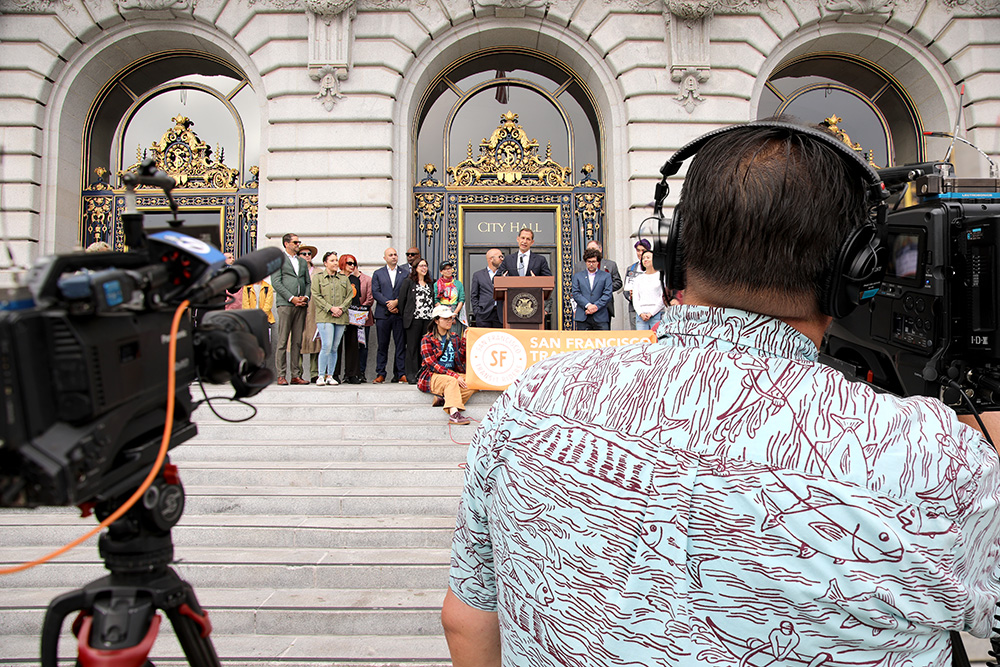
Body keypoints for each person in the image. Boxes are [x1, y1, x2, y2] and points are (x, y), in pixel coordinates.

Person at [442, 121, 1000, 666]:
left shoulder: (529, 401)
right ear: (855, 272)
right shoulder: (933, 455)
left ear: (675, 253)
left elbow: (466, 620)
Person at [418, 305, 476, 425]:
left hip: (450, 374)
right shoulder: (427, 339)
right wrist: (454, 375)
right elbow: (432, 364)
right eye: (445, 319)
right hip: (433, 375)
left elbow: (459, 359)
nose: (449, 321)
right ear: (436, 320)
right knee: (451, 381)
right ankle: (454, 414)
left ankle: (445, 400)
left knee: (472, 381)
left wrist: (464, 340)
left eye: (450, 318)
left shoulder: (454, 337)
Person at [271, 233, 311, 385]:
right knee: (282, 341)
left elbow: (308, 282)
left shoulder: (301, 261)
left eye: (298, 242)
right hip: (286, 304)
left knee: (297, 341)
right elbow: (276, 282)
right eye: (295, 242)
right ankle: (281, 375)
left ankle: (296, 375)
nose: (298, 244)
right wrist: (291, 298)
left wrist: (305, 298)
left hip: (301, 304)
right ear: (286, 243)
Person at [310, 251, 352, 386]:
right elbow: (316, 296)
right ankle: (321, 375)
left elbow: (349, 296)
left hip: (340, 316)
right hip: (325, 316)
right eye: (332, 260)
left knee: (335, 347)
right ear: (325, 263)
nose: (335, 263)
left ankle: (330, 375)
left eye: (336, 260)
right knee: (326, 345)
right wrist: (330, 308)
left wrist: (341, 308)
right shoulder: (318, 278)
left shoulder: (344, 278)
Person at [371, 247, 410, 383]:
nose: (394, 257)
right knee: (382, 345)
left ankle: (401, 373)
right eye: (390, 255)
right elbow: (375, 292)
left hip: (399, 314)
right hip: (383, 314)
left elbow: (406, 292)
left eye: (395, 254)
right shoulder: (378, 273)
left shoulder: (404, 273)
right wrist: (389, 304)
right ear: (385, 258)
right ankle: (381, 373)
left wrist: (397, 303)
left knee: (400, 345)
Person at [398, 257, 435, 385]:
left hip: (427, 320)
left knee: (424, 348)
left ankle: (423, 373)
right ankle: (411, 374)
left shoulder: (430, 283)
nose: (424, 268)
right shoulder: (408, 282)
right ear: (415, 268)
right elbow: (402, 301)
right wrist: (407, 315)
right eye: (421, 266)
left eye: (425, 266)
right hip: (414, 320)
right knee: (412, 348)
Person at [573, 240, 622, 320]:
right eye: (589, 249)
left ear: (600, 249)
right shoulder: (579, 265)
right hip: (584, 308)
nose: (591, 251)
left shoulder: (610, 265)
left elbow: (618, 283)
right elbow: (576, 288)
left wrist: (603, 288)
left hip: (604, 306)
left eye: (593, 249)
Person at [337, 254, 365, 384]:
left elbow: (358, 296)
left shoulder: (355, 279)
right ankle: (334, 373)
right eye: (349, 263)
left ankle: (352, 374)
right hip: (339, 313)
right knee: (336, 345)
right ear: (342, 263)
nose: (352, 266)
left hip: (353, 314)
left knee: (353, 344)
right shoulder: (336, 277)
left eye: (354, 263)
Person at [570, 246, 613, 330]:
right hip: (583, 315)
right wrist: (588, 305)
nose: (591, 264)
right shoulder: (578, 276)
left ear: (598, 262)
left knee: (602, 341)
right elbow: (576, 293)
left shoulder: (606, 276)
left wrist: (596, 306)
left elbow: (607, 294)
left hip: (600, 316)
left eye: (593, 262)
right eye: (589, 262)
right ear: (585, 262)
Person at [241, 277, 276, 376]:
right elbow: (245, 305)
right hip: (250, 321)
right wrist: (252, 318)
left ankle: (261, 369)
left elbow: (268, 305)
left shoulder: (267, 287)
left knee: (262, 346)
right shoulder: (247, 288)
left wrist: (260, 317)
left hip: (264, 321)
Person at [297, 245, 321, 382]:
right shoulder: (295, 270)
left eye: (309, 253)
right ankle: (298, 372)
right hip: (299, 306)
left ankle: (314, 373)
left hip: (314, 308)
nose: (307, 255)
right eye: (303, 253)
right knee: (297, 340)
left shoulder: (318, 271)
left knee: (315, 340)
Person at [631, 249, 666, 331]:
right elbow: (635, 298)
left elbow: (662, 297)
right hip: (641, 316)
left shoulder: (661, 277)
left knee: (656, 339)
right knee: (642, 341)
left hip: (657, 314)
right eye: (643, 258)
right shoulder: (638, 278)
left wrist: (651, 313)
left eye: (648, 257)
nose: (645, 260)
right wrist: (641, 313)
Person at [470, 248, 504, 328]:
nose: (502, 259)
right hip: (484, 314)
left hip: (500, 314)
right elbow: (474, 295)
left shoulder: (505, 274)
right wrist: (477, 312)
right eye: (500, 257)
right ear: (491, 259)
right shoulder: (478, 275)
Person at [622, 239, 651, 330]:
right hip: (634, 309)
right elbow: (626, 289)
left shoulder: (655, 268)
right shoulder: (631, 268)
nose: (640, 253)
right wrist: (631, 295)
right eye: (638, 250)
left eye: (643, 250)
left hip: (651, 309)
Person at [435, 259, 466, 333]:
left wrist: (454, 314)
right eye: (445, 269)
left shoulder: (458, 284)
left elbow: (461, 300)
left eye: (449, 268)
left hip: (455, 311)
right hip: (442, 311)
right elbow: (436, 300)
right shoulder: (437, 284)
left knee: (454, 335)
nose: (448, 271)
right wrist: (444, 313)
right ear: (441, 271)